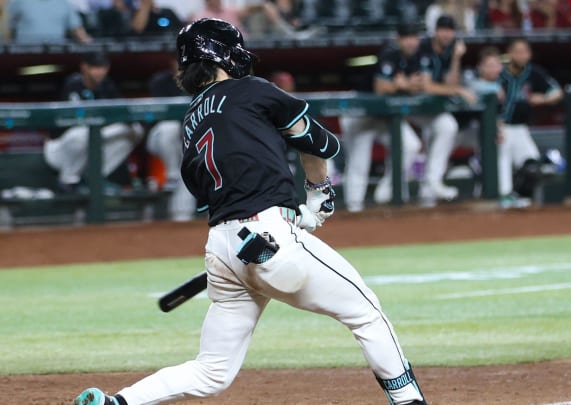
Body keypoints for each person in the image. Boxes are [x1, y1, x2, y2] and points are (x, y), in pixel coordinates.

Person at [73, 18, 427, 405]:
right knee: (366, 313)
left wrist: (288, 211)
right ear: (225, 55)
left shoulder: (191, 120)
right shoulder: (251, 89)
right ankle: (411, 401)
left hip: (222, 250)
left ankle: (116, 402)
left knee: (211, 371)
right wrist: (317, 195)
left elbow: (217, 195)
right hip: (269, 240)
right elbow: (317, 142)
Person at [340, 23, 423, 212]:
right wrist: (402, 85)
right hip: (360, 114)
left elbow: (420, 85)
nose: (411, 42)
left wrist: (405, 85)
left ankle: (386, 190)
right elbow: (380, 88)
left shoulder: (415, 58)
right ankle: (354, 208)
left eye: (414, 37)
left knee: (411, 145)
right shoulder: (390, 54)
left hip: (383, 117)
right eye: (406, 37)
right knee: (359, 162)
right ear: (399, 39)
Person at [44, 51, 143, 193]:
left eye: (102, 67)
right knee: (82, 133)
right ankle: (68, 180)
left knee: (134, 130)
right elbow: (74, 122)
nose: (99, 72)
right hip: (59, 149)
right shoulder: (72, 85)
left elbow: (124, 115)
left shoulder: (108, 87)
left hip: (89, 148)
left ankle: (94, 177)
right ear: (84, 67)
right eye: (95, 67)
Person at [416, 15, 476, 206]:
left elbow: (451, 82)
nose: (447, 33)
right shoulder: (423, 47)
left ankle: (429, 189)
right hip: (407, 105)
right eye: (443, 29)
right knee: (411, 144)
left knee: (445, 127)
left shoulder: (450, 51)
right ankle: (427, 187)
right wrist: (458, 90)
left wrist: (457, 57)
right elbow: (426, 86)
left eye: (450, 30)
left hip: (429, 110)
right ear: (435, 31)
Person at [497, 38, 563, 208]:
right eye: (517, 51)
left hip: (520, 128)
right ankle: (504, 196)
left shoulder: (534, 73)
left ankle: (520, 196)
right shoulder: (498, 72)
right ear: (509, 53)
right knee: (501, 157)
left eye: (524, 52)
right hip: (499, 126)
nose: (521, 56)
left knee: (532, 164)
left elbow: (557, 92)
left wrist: (544, 98)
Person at [146, 57, 198, 222]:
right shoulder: (160, 81)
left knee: (186, 164)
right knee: (169, 128)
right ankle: (172, 175)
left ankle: (181, 218)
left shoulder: (200, 81)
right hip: (159, 139)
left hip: (185, 142)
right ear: (172, 63)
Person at [7, 0, 92, 43]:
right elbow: (7, 26)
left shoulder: (63, 3)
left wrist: (93, 46)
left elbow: (78, 31)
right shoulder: (20, 1)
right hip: (22, 55)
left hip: (55, 55)